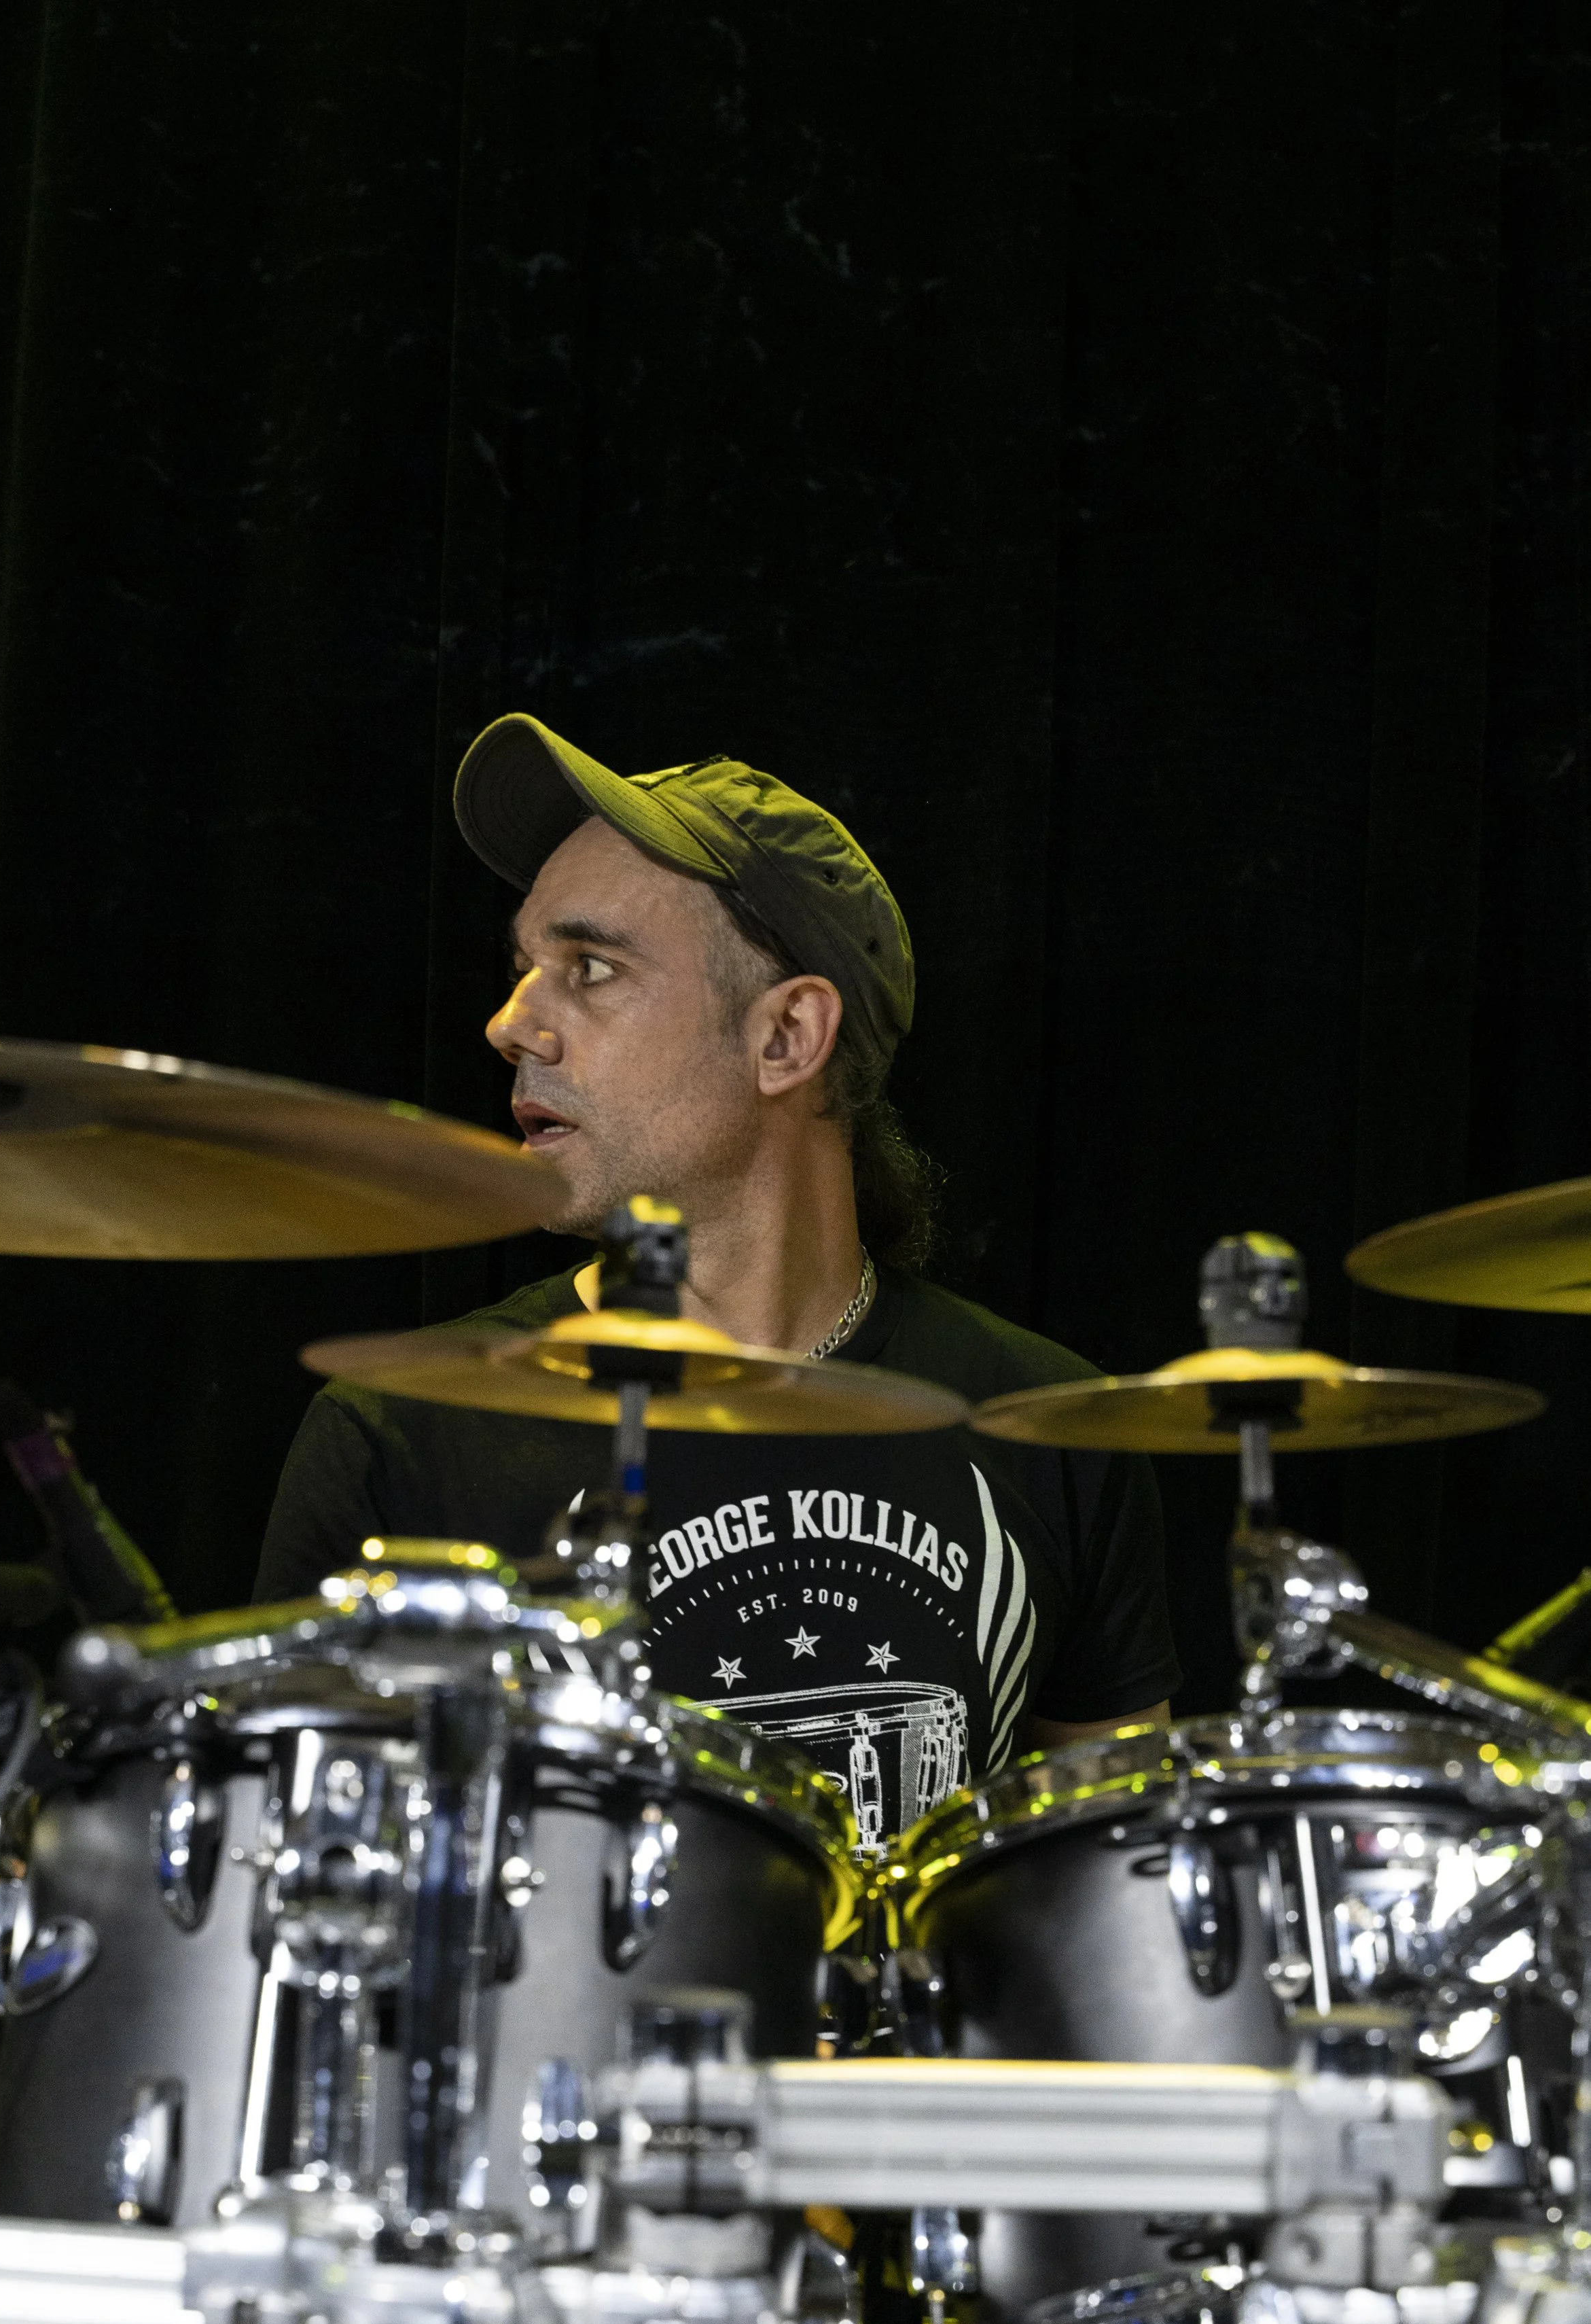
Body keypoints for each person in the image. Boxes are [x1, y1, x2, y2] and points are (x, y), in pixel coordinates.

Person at [256, 715, 1179, 1836]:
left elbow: (1118, 1912)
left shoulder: (1049, 1432)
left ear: (787, 1037)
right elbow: (297, 1895)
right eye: (521, 971)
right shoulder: (400, 1432)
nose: (509, 1025)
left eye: (589, 968)